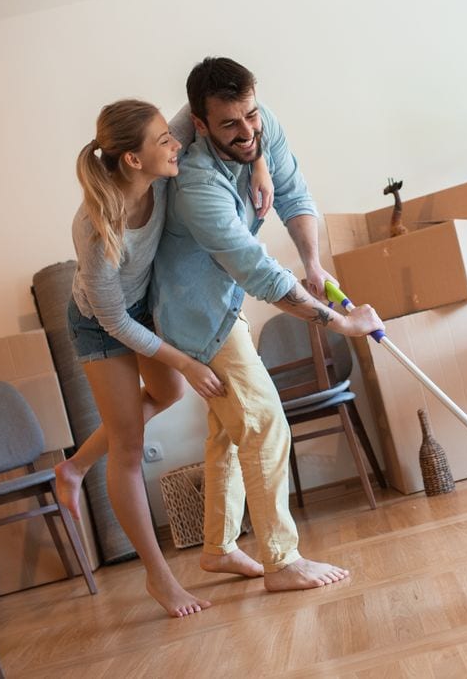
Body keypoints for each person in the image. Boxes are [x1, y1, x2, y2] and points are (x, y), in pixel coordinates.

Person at [152, 56, 385, 592]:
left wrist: (314, 264)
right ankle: (281, 562)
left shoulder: (260, 125)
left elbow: (294, 192)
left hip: (223, 299)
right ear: (200, 124)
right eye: (229, 124)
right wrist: (342, 324)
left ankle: (218, 548)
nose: (247, 131)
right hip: (195, 315)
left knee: (230, 431)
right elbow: (259, 273)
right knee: (263, 423)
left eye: (251, 115)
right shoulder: (195, 183)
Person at [56, 98, 274, 617]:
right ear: (134, 159)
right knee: (128, 447)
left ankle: (74, 466)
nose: (176, 143)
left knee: (167, 393)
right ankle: (160, 578)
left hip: (142, 306)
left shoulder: (160, 155)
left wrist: (260, 162)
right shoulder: (95, 227)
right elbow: (114, 321)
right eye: (164, 141)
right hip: (100, 324)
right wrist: (187, 361)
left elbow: (217, 105)